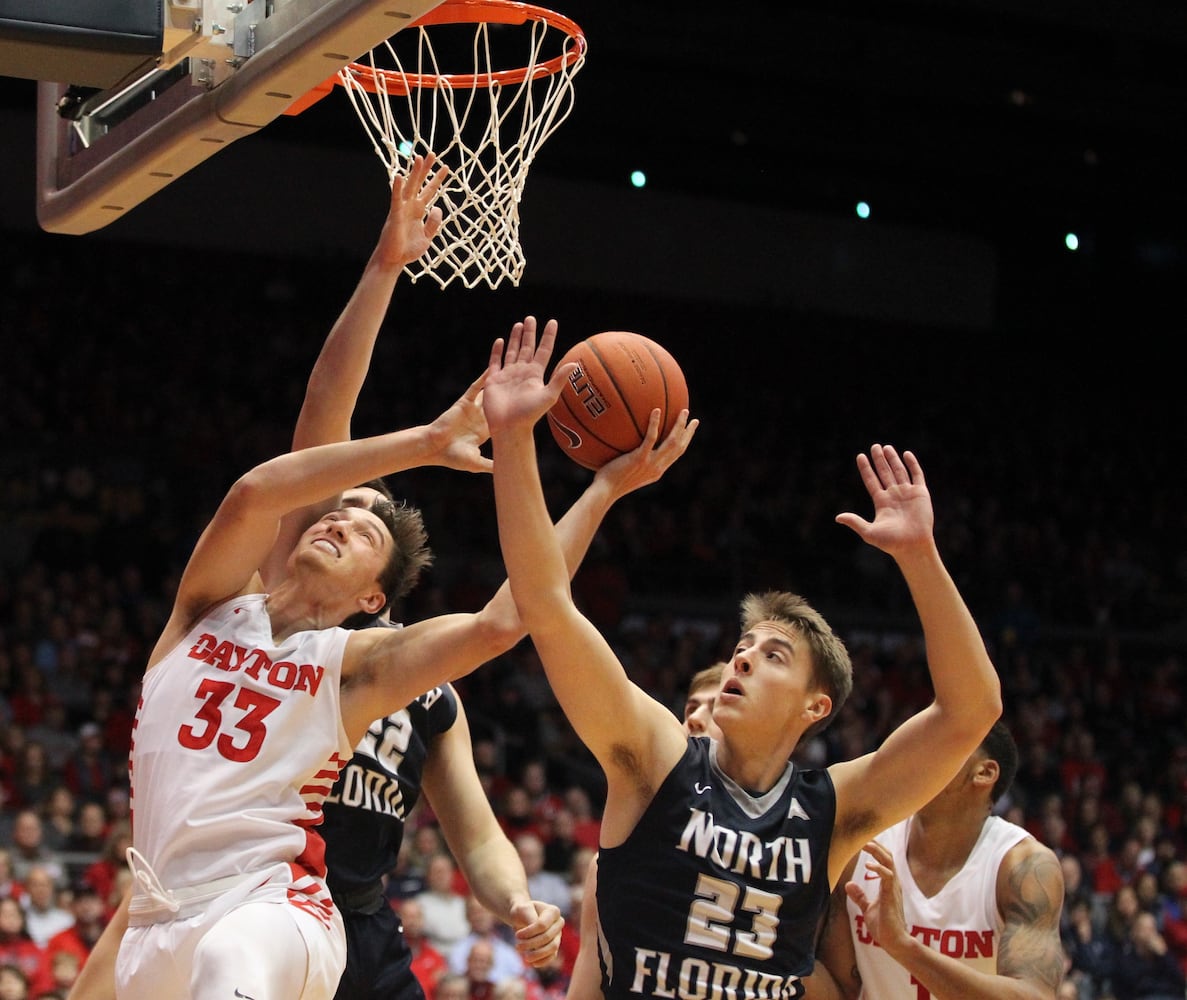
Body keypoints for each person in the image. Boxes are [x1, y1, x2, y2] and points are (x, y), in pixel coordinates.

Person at [68, 161, 694, 1000]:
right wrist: (388, 290)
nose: (336, 517)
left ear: (375, 599)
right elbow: (270, 480)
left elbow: (511, 618)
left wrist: (592, 483)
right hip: (155, 921)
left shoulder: (361, 666)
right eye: (337, 510)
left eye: (364, 527)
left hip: (281, 912)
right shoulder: (207, 610)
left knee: (230, 967)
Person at [482, 316, 1002, 1000]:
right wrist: (516, 438)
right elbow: (545, 604)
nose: (743, 661)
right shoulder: (652, 761)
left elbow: (972, 712)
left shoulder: (834, 810)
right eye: (741, 648)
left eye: (773, 655)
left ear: (817, 705)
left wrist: (919, 557)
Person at [816, 720, 1067, 999]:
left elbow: (1035, 995)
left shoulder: (1021, 866)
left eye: (939, 745)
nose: (918, 757)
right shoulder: (860, 850)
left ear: (984, 772)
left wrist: (904, 947)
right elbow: (840, 991)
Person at [565, 663, 725, 1000]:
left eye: (716, 708)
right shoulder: (613, 860)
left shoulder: (793, 850)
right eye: (691, 707)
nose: (695, 718)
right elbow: (587, 986)